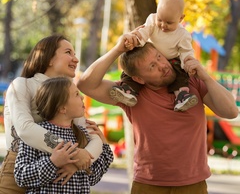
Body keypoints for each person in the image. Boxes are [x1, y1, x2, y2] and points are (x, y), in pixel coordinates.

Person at [77, 32, 239, 194]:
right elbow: (86, 85)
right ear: (139, 79)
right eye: (152, 66)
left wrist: (207, 78)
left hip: (193, 184)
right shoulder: (130, 95)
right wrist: (117, 49)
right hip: (148, 185)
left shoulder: (192, 82)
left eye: (159, 57)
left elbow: (231, 111)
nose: (162, 66)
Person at [0, 35, 103, 194]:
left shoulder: (69, 94)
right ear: (48, 58)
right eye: (68, 52)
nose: (75, 59)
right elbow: (25, 129)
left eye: (75, 54)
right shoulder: (22, 85)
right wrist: (74, 154)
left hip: (61, 173)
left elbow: (93, 138)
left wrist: (79, 159)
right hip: (19, 170)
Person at [14, 77, 114, 193]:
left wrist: (104, 144)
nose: (82, 97)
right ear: (62, 108)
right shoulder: (37, 133)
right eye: (76, 94)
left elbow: (92, 178)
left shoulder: (83, 135)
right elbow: (21, 176)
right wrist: (53, 162)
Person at [110, 0, 198, 111]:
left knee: (180, 73)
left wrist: (188, 62)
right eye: (160, 19)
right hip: (150, 53)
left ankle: (181, 96)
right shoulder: (152, 20)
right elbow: (144, 31)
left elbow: (186, 51)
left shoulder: (183, 35)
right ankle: (128, 91)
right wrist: (136, 40)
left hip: (171, 59)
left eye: (169, 23)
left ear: (181, 18)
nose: (163, 25)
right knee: (133, 69)